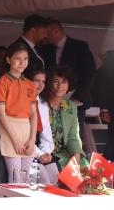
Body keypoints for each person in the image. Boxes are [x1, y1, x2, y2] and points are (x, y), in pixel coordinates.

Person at [39, 18, 97, 153]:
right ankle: (52, 155)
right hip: (51, 99)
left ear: (55, 31)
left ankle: (73, 156)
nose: (44, 37)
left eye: (46, 33)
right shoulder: (46, 49)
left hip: (76, 99)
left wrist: (77, 98)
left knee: (73, 134)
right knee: (51, 133)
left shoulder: (79, 46)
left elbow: (89, 74)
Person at [0, 42, 38, 183]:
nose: (22, 63)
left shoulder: (30, 84)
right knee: (15, 177)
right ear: (8, 60)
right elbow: (1, 113)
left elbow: (34, 115)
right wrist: (16, 141)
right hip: (9, 128)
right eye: (17, 58)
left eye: (25, 59)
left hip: (27, 129)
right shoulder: (2, 82)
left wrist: (32, 139)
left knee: (26, 178)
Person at [44, 65, 87, 169]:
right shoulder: (40, 104)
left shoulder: (70, 106)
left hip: (65, 153)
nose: (60, 86)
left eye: (64, 82)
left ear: (69, 85)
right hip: (46, 155)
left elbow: (73, 136)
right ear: (48, 83)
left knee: (85, 167)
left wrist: (76, 155)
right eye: (55, 81)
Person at [29, 69, 59, 184]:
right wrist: (38, 153)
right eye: (37, 81)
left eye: (43, 81)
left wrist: (46, 152)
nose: (41, 85)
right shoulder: (22, 102)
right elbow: (22, 135)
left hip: (40, 150)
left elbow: (46, 133)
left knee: (55, 180)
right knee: (44, 181)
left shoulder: (43, 104)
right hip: (27, 152)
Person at [10, 14, 47, 78]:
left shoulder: (37, 48)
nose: (45, 35)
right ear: (33, 31)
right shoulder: (17, 48)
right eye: (43, 32)